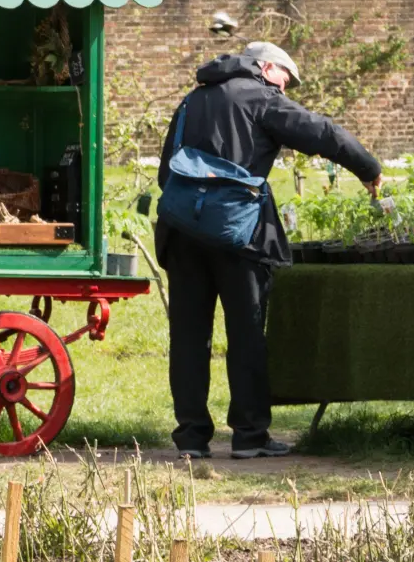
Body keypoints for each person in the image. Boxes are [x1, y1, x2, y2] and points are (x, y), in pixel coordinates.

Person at [155, 31, 380, 458]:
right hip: (239, 236)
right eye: (284, 79)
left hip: (182, 231)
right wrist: (366, 166)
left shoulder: (191, 100)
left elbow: (169, 169)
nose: (284, 89)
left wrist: (195, 210)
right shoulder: (259, 97)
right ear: (265, 68)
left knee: (188, 337)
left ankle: (190, 438)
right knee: (246, 335)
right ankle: (249, 437)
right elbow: (321, 132)